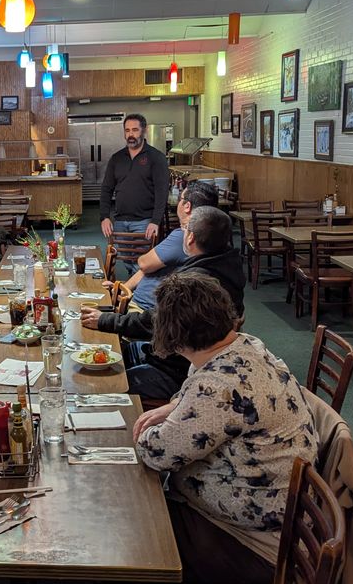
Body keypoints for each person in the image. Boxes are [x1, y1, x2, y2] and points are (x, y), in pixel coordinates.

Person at [60, 274, 317, 584]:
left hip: (254, 540)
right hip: (271, 510)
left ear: (174, 335)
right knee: (137, 498)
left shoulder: (220, 387)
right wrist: (174, 407)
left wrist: (154, 426)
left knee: (127, 518)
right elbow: (202, 396)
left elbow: (156, 453)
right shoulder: (246, 346)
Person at [85, 205, 245, 399]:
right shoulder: (229, 267)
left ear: (190, 238)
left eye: (185, 230)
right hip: (193, 360)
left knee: (106, 384)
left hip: (180, 371)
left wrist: (106, 320)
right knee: (123, 351)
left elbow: (157, 322)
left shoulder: (195, 283)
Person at [103, 180, 219, 310]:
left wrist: (145, 260)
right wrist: (120, 289)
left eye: (180, 199)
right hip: (154, 304)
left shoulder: (185, 236)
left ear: (187, 206)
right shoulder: (215, 236)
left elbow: (143, 264)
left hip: (146, 309)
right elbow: (146, 269)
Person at [99, 114, 169, 247]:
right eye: (127, 130)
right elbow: (106, 189)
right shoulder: (116, 158)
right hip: (119, 221)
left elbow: (162, 192)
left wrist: (155, 221)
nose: (131, 134)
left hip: (145, 222)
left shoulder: (156, 158)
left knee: (142, 262)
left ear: (144, 130)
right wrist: (104, 217)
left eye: (135, 130)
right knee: (127, 262)